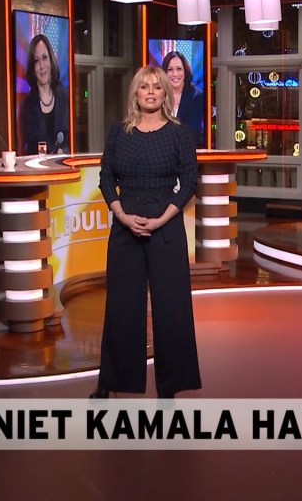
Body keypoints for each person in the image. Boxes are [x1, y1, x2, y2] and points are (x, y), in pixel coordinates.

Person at [90, 65, 201, 399]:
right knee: (122, 307)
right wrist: (121, 214)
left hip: (165, 225)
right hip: (125, 225)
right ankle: (111, 382)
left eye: (157, 86)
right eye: (144, 86)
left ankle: (170, 387)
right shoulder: (118, 133)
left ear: (165, 93)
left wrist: (162, 218)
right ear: (135, 93)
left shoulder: (179, 133)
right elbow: (106, 177)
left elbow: (189, 182)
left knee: (171, 307)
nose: (150, 92)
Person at [20, 34, 69, 155]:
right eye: (37, 61)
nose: (42, 66)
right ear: (32, 68)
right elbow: (24, 149)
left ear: (51, 61)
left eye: (45, 58)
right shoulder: (27, 105)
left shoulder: (65, 98)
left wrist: (64, 152)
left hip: (62, 165)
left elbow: (73, 142)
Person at [161, 50, 206, 144]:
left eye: (179, 69)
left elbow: (193, 131)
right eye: (170, 69)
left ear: (185, 71)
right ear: (164, 72)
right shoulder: (159, 96)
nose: (175, 74)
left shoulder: (197, 96)